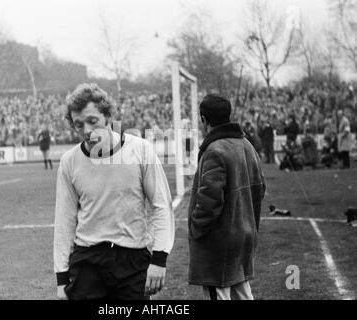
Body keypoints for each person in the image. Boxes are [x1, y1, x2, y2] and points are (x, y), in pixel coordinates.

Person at [53, 83, 174, 300]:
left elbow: (161, 205)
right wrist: (62, 279)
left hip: (132, 259)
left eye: (93, 121)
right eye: (79, 124)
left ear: (108, 116)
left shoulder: (139, 150)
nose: (87, 131)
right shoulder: (69, 162)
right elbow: (64, 220)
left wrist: (159, 260)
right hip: (87, 260)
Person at [188, 95, 265, 300]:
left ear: (204, 119)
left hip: (219, 242)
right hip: (245, 233)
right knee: (242, 294)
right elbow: (260, 189)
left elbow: (209, 199)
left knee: (219, 293)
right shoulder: (247, 145)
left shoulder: (215, 150)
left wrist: (197, 226)